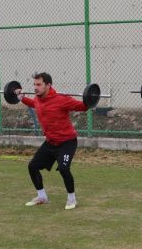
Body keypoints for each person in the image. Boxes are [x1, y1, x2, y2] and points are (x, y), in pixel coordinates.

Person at [16, 72, 88, 210]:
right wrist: (21, 98)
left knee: (63, 168)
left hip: (67, 142)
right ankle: (42, 196)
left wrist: (90, 99)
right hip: (51, 142)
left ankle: (72, 199)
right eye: (34, 84)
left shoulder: (62, 100)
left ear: (48, 85)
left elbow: (83, 107)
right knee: (32, 166)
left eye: (39, 84)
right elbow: (34, 104)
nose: (35, 87)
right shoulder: (38, 99)